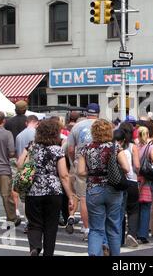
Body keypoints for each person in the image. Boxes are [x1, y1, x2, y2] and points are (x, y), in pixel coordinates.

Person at [17, 120, 74, 256]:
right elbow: (64, 175)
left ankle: (35, 247)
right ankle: (48, 253)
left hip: (33, 190)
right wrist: (71, 196)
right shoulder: (57, 150)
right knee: (51, 225)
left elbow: (19, 164)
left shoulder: (31, 146)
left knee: (34, 223)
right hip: (53, 192)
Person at [77, 119, 130, 256]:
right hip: (113, 189)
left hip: (94, 190)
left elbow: (80, 172)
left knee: (96, 228)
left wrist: (94, 172)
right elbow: (126, 168)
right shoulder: (115, 147)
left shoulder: (86, 148)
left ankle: (94, 254)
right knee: (113, 226)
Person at [67, 103, 100, 240]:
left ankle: (87, 230)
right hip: (99, 165)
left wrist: (74, 161)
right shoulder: (104, 125)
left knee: (83, 199)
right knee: (99, 198)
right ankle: (98, 228)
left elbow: (70, 148)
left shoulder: (77, 126)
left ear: (86, 113)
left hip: (81, 165)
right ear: (98, 113)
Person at [115, 123, 141, 248]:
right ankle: (131, 233)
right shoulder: (132, 147)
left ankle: (118, 238)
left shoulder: (115, 146)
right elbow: (136, 165)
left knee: (120, 210)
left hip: (118, 181)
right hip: (132, 181)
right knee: (133, 209)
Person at [137, 126, 153, 244]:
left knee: (136, 207)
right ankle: (143, 234)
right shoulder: (150, 148)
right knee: (146, 207)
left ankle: (134, 231)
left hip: (136, 178)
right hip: (146, 179)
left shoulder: (134, 146)